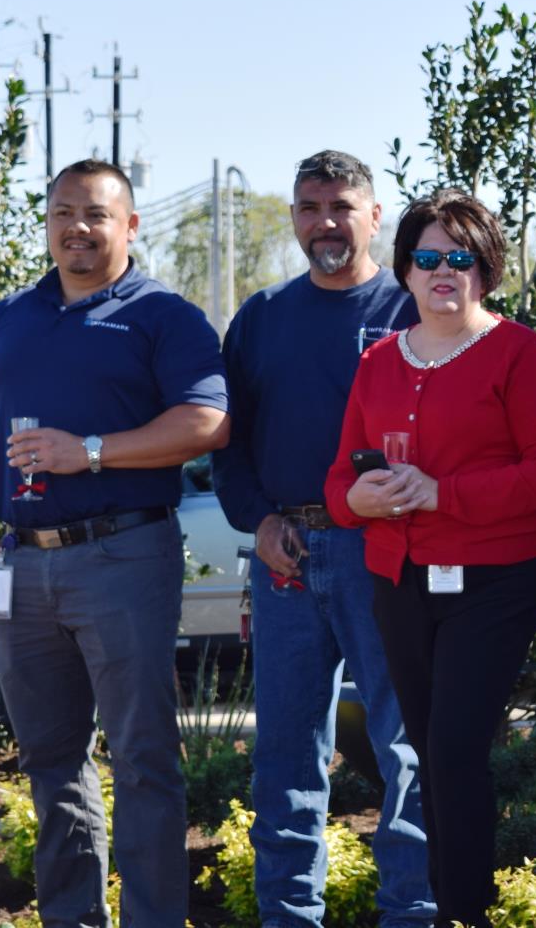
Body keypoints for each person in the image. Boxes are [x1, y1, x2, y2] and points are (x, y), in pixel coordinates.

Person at [0, 158, 230, 927]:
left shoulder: (163, 315)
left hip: (124, 555)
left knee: (142, 759)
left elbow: (208, 421)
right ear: (48, 224)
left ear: (129, 225)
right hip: (22, 564)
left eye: (96, 214)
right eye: (63, 212)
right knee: (50, 760)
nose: (77, 227)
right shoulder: (12, 314)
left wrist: (92, 450)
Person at [325, 188, 536, 928]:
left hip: (496, 580)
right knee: (430, 754)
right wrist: (359, 502)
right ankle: (452, 908)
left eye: (460, 257)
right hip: (400, 580)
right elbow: (339, 482)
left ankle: (465, 913)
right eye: (428, 257)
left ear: (485, 268)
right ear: (404, 270)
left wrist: (442, 492)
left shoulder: (517, 352)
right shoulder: (377, 361)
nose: (443, 271)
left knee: (455, 746)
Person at [214, 150, 433, 927]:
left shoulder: (412, 309)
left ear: (375, 216)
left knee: (403, 750)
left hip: (384, 553)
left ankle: (411, 913)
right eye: (309, 208)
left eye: (342, 206)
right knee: (284, 758)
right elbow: (228, 442)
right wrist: (260, 520)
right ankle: (289, 916)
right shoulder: (262, 316)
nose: (325, 223)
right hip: (287, 555)